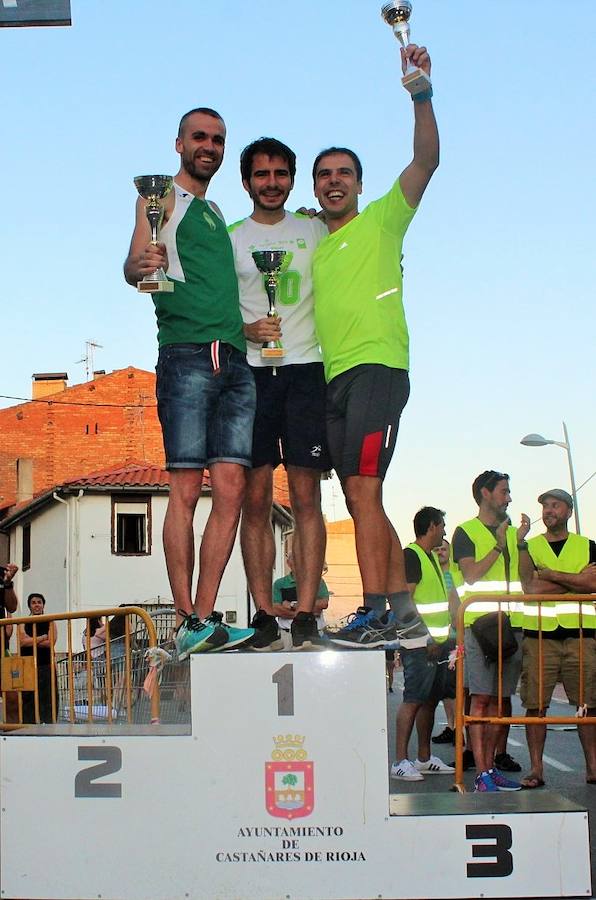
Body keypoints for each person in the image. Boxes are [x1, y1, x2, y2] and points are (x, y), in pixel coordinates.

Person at [312, 42, 438, 649]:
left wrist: (421, 95)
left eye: (345, 173)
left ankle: (376, 609)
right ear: (317, 188)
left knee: (363, 491)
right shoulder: (313, 241)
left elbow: (426, 160)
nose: (335, 182)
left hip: (378, 369)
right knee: (364, 494)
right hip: (334, 379)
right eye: (326, 175)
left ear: (360, 184)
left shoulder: (384, 218)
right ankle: (404, 614)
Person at [124, 107, 256, 659]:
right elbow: (134, 266)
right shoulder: (159, 199)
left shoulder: (214, 210)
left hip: (236, 359)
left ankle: (205, 616)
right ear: (179, 142)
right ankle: (184, 619)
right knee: (184, 489)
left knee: (230, 491)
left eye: (218, 140)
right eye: (200, 137)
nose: (209, 146)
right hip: (186, 357)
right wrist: (139, 265)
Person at [228, 137, 330, 650]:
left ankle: (308, 613)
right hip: (250, 375)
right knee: (256, 499)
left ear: (293, 179)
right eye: (261, 174)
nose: (271, 183)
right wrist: (247, 330)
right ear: (246, 181)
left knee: (308, 496)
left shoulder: (315, 228)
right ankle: (265, 616)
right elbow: (215, 308)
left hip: (307, 371)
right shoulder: (230, 239)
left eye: (281, 173)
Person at [452, 471, 530, 792]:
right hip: (482, 626)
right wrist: (498, 547)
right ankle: (481, 773)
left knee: (500, 701)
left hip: (513, 625)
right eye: (504, 491)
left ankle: (493, 767)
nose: (509, 498)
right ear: (485, 494)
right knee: (481, 700)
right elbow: (470, 576)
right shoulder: (464, 532)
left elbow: (527, 580)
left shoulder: (513, 533)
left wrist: (521, 542)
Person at [519, 488, 596, 788]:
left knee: (588, 704)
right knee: (536, 704)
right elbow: (531, 589)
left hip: (581, 636)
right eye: (545, 506)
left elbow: (593, 583)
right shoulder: (530, 547)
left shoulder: (587, 545)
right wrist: (575, 580)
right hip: (540, 638)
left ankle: (592, 767)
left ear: (569, 511)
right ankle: (536, 769)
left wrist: (550, 574)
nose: (549, 510)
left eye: (555, 505)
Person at [391, 508, 455, 780]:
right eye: (442, 525)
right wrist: (426, 636)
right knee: (413, 699)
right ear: (431, 526)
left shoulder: (433, 559)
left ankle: (424, 758)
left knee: (430, 700)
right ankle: (399, 762)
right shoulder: (412, 555)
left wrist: (446, 568)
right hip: (420, 643)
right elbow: (406, 600)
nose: (444, 531)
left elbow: (446, 597)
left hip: (438, 643)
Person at [272, 547, 330, 649]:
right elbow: (276, 610)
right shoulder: (279, 584)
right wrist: (306, 614)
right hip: (286, 636)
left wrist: (291, 605)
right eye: (296, 560)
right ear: (289, 563)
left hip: (315, 633)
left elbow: (323, 604)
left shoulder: (318, 581)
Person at [19, 593, 57, 724]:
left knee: (47, 697)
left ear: (43, 605)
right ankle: (28, 726)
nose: (36, 605)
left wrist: (32, 640)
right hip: (27, 664)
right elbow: (22, 642)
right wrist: (41, 637)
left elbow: (51, 642)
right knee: (28, 697)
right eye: (33, 602)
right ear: (29, 606)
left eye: (39, 602)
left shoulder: (50, 621)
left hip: (46, 664)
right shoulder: (23, 621)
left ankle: (48, 725)